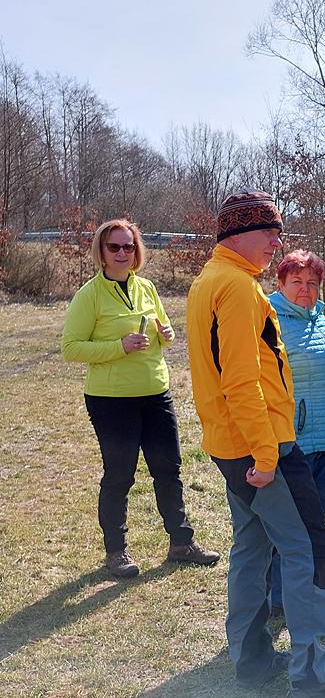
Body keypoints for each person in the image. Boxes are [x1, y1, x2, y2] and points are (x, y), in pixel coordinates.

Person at [186, 191, 325, 698]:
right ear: (235, 234)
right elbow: (241, 380)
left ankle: (250, 661)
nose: (277, 240)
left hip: (232, 444)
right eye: (268, 230)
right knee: (309, 546)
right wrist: (268, 455)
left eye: (278, 229)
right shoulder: (237, 289)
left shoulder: (211, 280)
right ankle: (315, 675)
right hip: (261, 447)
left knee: (251, 544)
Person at [61, 219, 219, 579]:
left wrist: (166, 333)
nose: (122, 253)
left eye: (128, 247)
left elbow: (166, 333)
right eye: (114, 247)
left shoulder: (146, 287)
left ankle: (181, 542)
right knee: (120, 474)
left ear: (137, 251)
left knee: (169, 469)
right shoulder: (90, 295)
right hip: (111, 399)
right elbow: (70, 348)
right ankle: (116, 552)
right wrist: (119, 347)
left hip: (156, 392)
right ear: (101, 252)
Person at [265, 250, 325, 615]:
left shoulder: (318, 318)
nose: (305, 290)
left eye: (312, 283)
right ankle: (280, 595)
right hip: (293, 440)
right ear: (280, 283)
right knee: (290, 521)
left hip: (324, 437)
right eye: (297, 282)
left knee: (316, 513)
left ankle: (308, 585)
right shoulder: (270, 320)